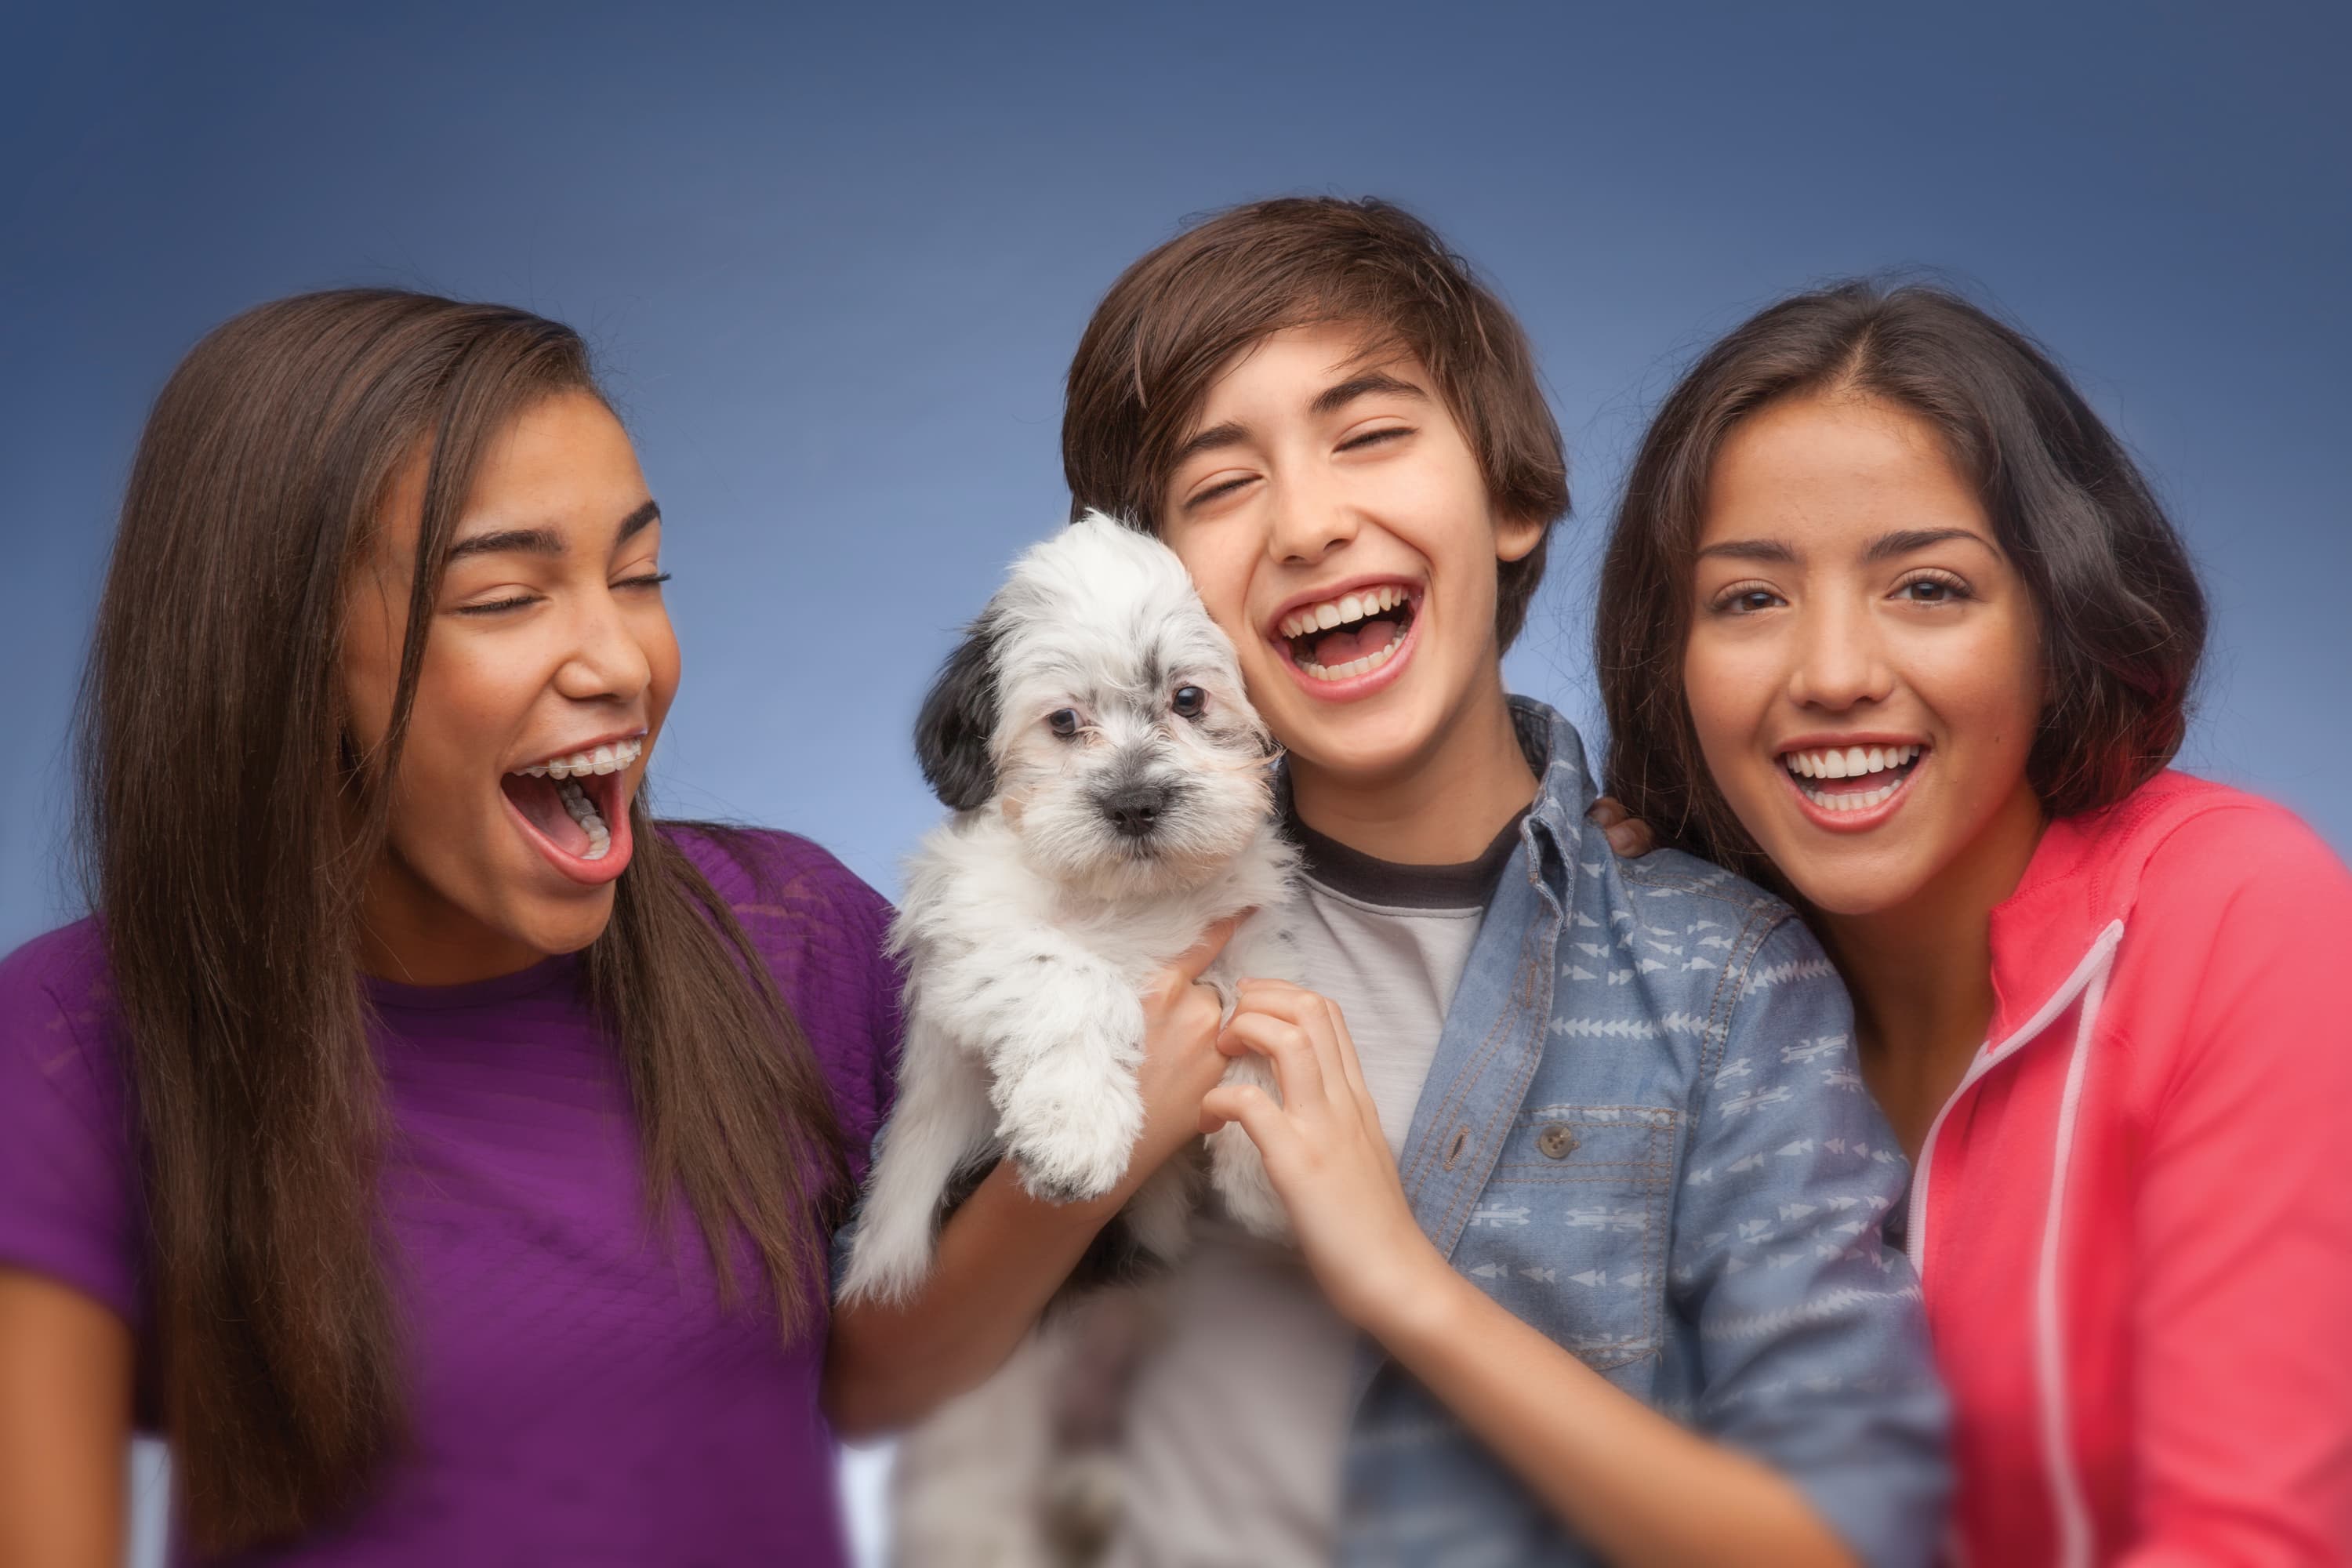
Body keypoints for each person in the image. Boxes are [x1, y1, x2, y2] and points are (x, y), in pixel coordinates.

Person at [826, 198, 1949, 1567]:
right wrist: (1089, 1162)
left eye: (1370, 435)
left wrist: (1404, 1284)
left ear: (1514, 497)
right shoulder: (1071, 918)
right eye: (1221, 482)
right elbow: (874, 1378)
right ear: (1144, 581)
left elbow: (1851, 1535)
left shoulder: (1715, 976)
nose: (1308, 523)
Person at [0, 291, 901, 1566]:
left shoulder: (791, 938)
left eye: (639, 577)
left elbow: (1146, 1237)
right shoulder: (67, 1042)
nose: (622, 661)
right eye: (505, 599)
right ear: (287, 658)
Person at [1593, 280, 2352, 1564]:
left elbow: (2249, 1540)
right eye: (1751, 600)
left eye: (1928, 588)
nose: (1833, 674)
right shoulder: (1673, 978)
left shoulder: (2239, 913)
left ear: (2058, 623)